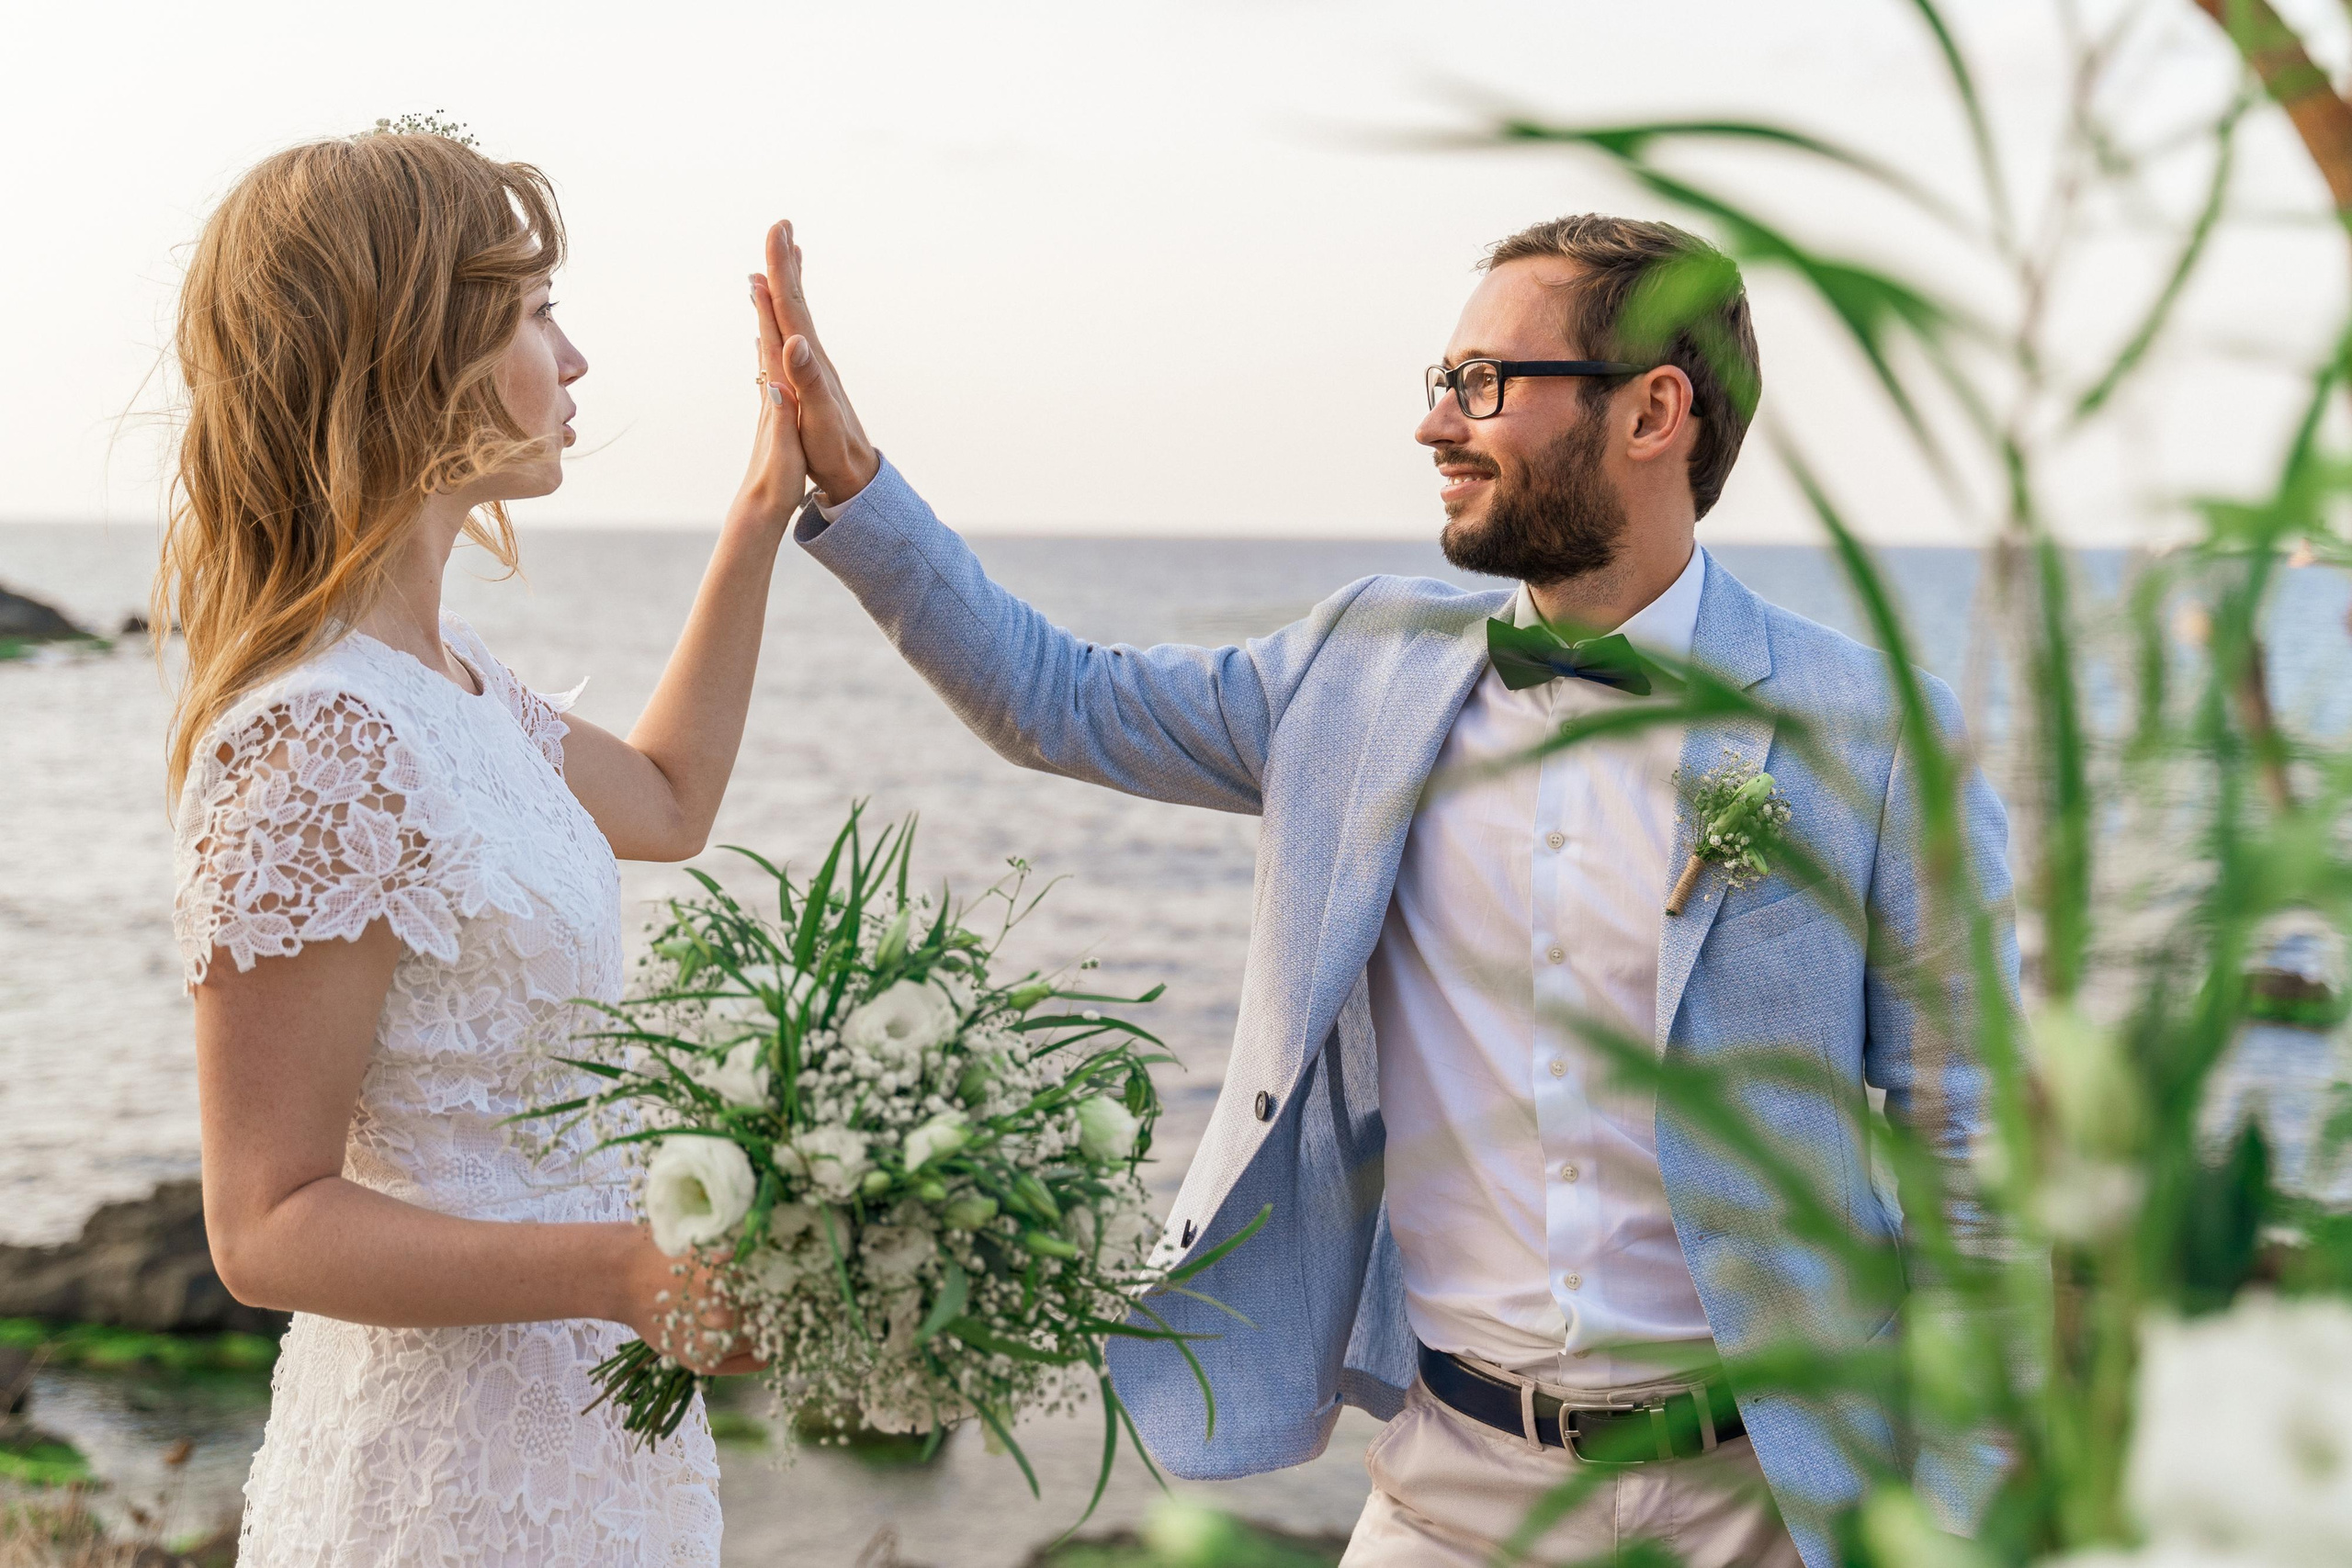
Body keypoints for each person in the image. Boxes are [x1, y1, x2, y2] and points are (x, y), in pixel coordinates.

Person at [765, 213, 2016, 1568]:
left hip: (1773, 1499)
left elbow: (1978, 1141)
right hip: (1452, 1489)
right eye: (1440, 379)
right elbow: (1055, 699)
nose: (1437, 425)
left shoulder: (1873, 731)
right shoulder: (1357, 673)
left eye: (1486, 383)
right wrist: (853, 478)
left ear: (1656, 410)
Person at [163, 129, 804, 1564]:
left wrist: (766, 504)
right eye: (531, 315)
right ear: (411, 354)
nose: (571, 363)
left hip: (590, 1446)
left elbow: (668, 800)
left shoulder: (451, 687)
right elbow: (264, 1224)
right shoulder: (316, 735)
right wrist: (628, 1273)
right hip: (438, 1490)